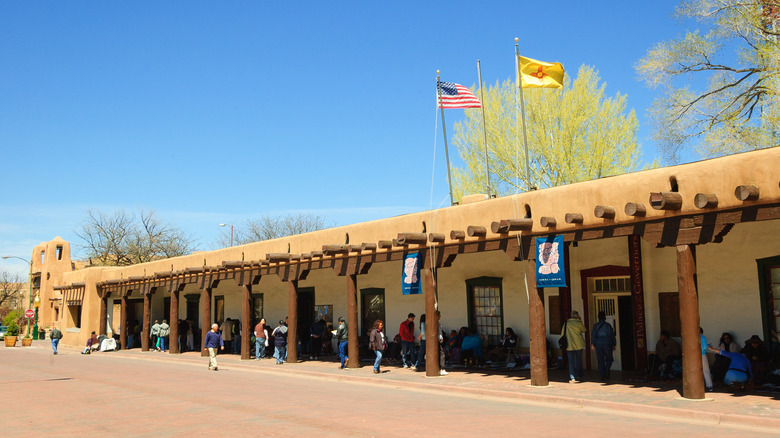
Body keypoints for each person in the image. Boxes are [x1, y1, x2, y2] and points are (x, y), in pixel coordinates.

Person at [591, 311, 617, 381]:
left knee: (600, 360)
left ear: (598, 318)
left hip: (598, 343)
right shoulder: (608, 326)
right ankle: (606, 371)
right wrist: (614, 344)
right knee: (609, 359)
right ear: (605, 318)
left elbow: (593, 335)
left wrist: (592, 344)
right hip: (607, 343)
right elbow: (612, 335)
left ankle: (602, 375)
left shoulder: (595, 326)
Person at [562, 310, 586, 383]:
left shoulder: (566, 324)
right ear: (577, 315)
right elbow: (584, 330)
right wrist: (580, 320)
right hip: (578, 344)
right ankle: (579, 375)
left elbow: (563, 333)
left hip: (569, 345)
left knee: (571, 361)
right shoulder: (579, 323)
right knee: (579, 360)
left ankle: (572, 376)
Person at [700, 327, 714, 392]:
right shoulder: (702, 337)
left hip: (693, 356)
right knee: (706, 370)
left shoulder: (691, 336)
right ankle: (709, 386)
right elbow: (705, 347)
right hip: (702, 354)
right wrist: (708, 345)